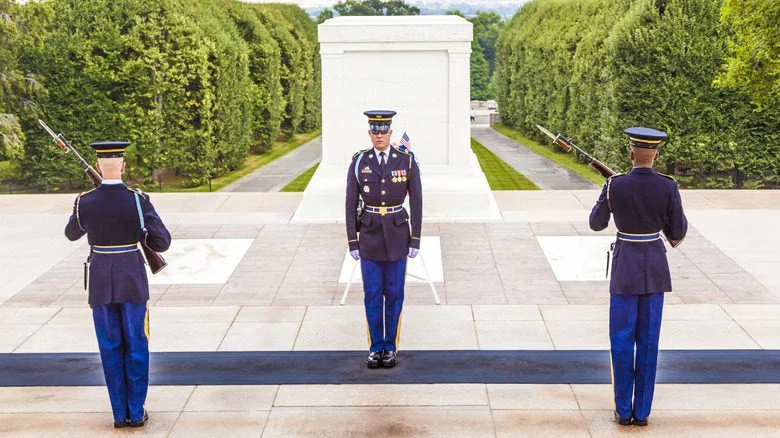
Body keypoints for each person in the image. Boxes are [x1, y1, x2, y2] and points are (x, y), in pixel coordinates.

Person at [65, 141, 171, 429]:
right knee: (136, 344)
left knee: (110, 346)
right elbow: (162, 242)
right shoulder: (138, 200)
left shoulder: (83, 201)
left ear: (99, 167)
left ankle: (118, 414)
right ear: (123, 166)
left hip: (100, 279)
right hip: (132, 279)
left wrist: (81, 210)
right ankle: (136, 412)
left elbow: (71, 233)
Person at [589, 127, 688, 427]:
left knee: (621, 340)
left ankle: (622, 410)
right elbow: (678, 232)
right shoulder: (668, 186)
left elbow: (596, 223)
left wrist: (606, 191)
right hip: (655, 268)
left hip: (625, 267)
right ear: (655, 155)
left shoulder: (614, 185)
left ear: (631, 153)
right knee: (648, 342)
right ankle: (642, 413)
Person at [345, 110, 423, 369]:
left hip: (398, 235)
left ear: (391, 132)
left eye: (384, 130)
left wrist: (415, 239)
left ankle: (390, 347)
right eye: (374, 130)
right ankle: (375, 347)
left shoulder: (407, 161)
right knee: (372, 294)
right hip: (369, 237)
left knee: (395, 293)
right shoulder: (359, 161)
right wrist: (352, 241)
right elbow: (350, 204)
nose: (379, 135)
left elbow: (417, 202)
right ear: (370, 133)